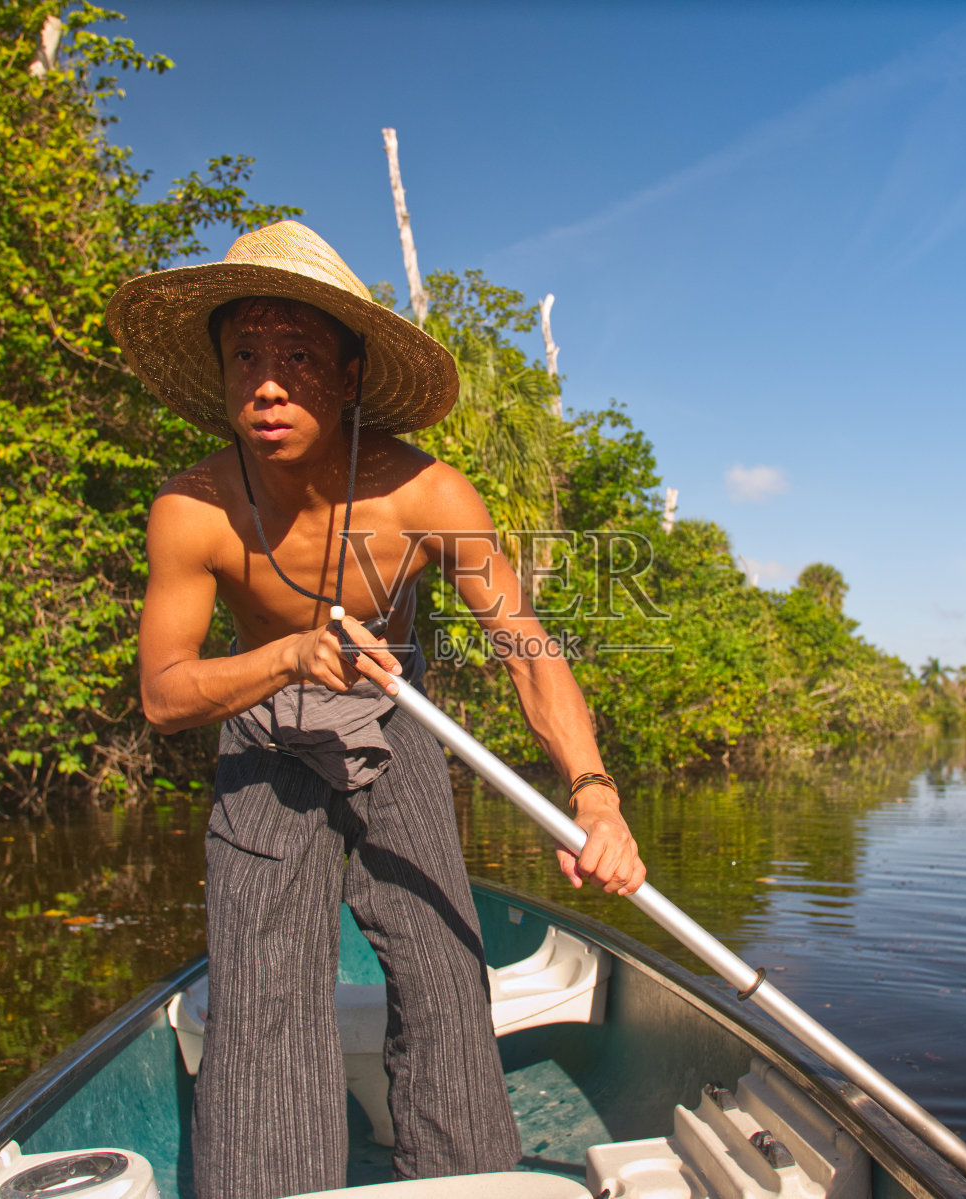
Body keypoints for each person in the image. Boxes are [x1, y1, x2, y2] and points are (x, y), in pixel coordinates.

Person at [105, 220, 646, 1199]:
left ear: (350, 374)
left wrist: (595, 793)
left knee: (441, 962)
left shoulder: (425, 493)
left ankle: (464, 1176)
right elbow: (165, 692)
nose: (268, 382)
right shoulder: (193, 509)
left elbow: (524, 645)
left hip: (393, 714)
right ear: (223, 376)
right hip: (265, 725)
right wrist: (286, 654)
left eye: (298, 355)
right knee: (264, 992)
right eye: (247, 357)